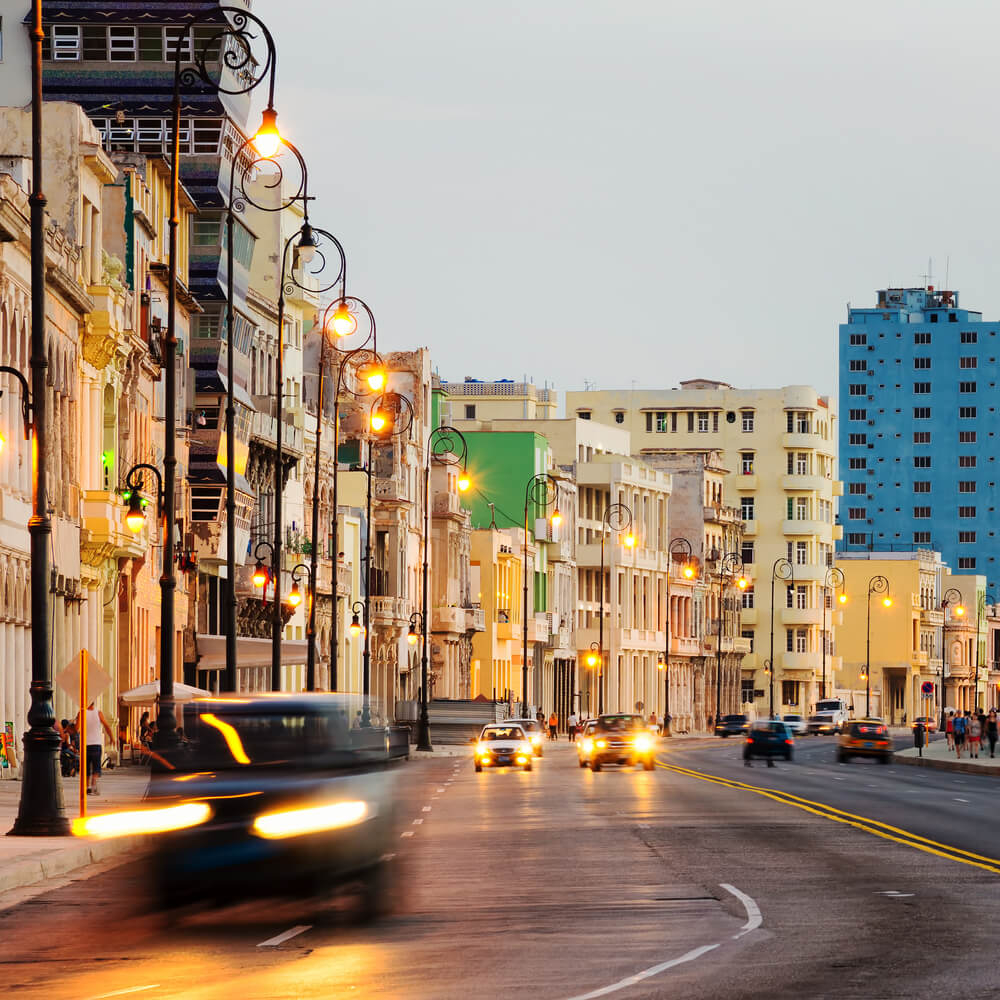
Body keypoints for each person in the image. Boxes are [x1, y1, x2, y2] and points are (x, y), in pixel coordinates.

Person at [75, 701, 113, 795]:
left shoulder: (81, 713)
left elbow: (76, 729)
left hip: (85, 745)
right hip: (96, 744)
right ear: (94, 703)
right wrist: (112, 737)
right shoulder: (98, 713)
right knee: (96, 768)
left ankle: (87, 787)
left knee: (86, 768)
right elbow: (106, 726)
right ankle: (93, 786)